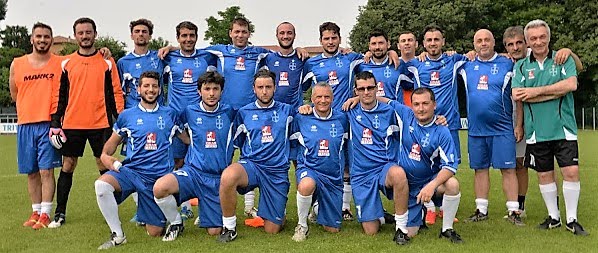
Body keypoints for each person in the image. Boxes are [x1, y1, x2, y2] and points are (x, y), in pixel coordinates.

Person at [512, 19, 588, 236]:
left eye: (542, 37)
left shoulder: (563, 59)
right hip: (536, 131)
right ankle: (554, 217)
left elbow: (571, 85)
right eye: (533, 38)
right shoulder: (521, 66)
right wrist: (555, 92)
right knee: (544, 175)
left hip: (564, 128)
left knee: (571, 171)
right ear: (527, 41)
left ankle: (572, 219)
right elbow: (518, 94)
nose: (538, 42)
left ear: (549, 37)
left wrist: (534, 92)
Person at [94, 71, 186, 249]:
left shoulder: (170, 114)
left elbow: (188, 140)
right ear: (138, 89)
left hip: (158, 178)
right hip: (132, 172)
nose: (150, 90)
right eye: (146, 86)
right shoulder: (127, 116)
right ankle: (118, 235)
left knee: (155, 232)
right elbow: (108, 149)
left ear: (160, 90)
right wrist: (106, 158)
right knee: (101, 186)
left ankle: (170, 218)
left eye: (154, 86)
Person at [48, 17, 124, 228]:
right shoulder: (66, 63)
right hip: (72, 124)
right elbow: (59, 94)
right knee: (68, 165)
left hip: (100, 124)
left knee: (104, 164)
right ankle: (60, 213)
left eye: (88, 32)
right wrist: (56, 122)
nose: (84, 36)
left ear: (95, 34)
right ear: (75, 36)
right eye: (80, 33)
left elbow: (115, 93)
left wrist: (122, 120)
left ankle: (112, 209)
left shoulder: (107, 62)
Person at [153, 71, 235, 241]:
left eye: (215, 89)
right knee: (160, 187)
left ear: (221, 91)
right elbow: (176, 129)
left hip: (217, 178)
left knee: (214, 231)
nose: (211, 93)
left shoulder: (230, 112)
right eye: (207, 89)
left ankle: (209, 211)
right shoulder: (189, 112)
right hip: (193, 172)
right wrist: (191, 142)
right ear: (199, 91)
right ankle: (176, 222)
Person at [218, 69, 294, 242]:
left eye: (268, 86)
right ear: (254, 89)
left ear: (275, 88)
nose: (264, 91)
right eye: (260, 87)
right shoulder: (244, 113)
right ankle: (229, 227)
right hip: (252, 165)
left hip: (276, 171)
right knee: (229, 176)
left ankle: (275, 213)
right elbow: (235, 144)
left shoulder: (288, 112)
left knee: (272, 229)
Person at [458, 29, 522, 225]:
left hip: (503, 128)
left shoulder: (508, 63)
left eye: (487, 40)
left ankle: (513, 211)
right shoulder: (465, 65)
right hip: (476, 130)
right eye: (479, 40)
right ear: (474, 44)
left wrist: (518, 124)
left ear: (494, 43)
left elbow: (518, 98)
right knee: (480, 169)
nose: (483, 43)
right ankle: (481, 210)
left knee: (508, 170)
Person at [303, 21, 364, 221]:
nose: (330, 42)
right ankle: (315, 204)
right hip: (320, 121)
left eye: (333, 38)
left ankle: (345, 207)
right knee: (319, 162)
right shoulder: (311, 63)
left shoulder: (351, 59)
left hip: (345, 120)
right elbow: (300, 89)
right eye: (326, 38)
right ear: (320, 41)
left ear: (339, 38)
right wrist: (304, 107)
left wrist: (357, 97)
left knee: (345, 163)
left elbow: (370, 69)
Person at [390, 87, 463, 243]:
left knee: (453, 184)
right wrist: (356, 99)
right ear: (412, 106)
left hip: (429, 183)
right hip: (407, 185)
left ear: (434, 105)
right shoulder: (405, 115)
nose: (421, 108)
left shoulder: (441, 130)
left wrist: (432, 185)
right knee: (410, 233)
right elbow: (382, 101)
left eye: (425, 103)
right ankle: (420, 213)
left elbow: (450, 166)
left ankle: (447, 229)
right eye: (416, 104)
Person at [9, 22, 62, 230]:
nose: (42, 40)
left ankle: (46, 213)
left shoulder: (60, 63)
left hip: (48, 124)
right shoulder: (17, 64)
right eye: (38, 36)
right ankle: (35, 211)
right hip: (25, 124)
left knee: (46, 171)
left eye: (46, 37)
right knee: (31, 172)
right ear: (31, 39)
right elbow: (15, 94)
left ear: (51, 39)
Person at [346, 71, 409, 245]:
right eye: (362, 89)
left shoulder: (391, 111)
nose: (366, 92)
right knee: (371, 231)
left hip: (384, 167)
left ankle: (401, 228)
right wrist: (306, 108)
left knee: (398, 174)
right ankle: (378, 215)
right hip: (361, 173)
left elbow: (417, 118)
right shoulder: (349, 111)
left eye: (370, 88)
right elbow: (324, 113)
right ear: (355, 91)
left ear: (377, 88)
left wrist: (439, 119)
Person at [117, 18, 166, 225]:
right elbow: (118, 91)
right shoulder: (123, 62)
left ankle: (175, 205)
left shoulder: (160, 57)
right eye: (137, 31)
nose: (140, 34)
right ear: (131, 35)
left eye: (144, 31)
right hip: (134, 121)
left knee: (165, 159)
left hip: (158, 117)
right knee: (134, 161)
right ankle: (141, 210)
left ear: (150, 35)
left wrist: (170, 46)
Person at [289, 82, 349, 241]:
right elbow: (293, 145)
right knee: (307, 184)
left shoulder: (342, 118)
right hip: (310, 169)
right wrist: (299, 172)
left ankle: (316, 209)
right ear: (312, 99)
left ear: (333, 98)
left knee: (333, 229)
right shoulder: (301, 118)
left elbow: (346, 146)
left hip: (333, 177)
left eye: (327, 97)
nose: (323, 100)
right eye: (319, 97)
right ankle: (302, 225)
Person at [357, 30, 411, 103]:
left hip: (394, 113)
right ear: (369, 46)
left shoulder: (398, 64)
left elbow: (414, 84)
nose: (377, 47)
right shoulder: (361, 65)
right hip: (371, 113)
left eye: (381, 43)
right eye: (373, 44)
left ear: (388, 44)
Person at [397, 31, 418, 106]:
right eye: (403, 41)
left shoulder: (423, 62)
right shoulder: (392, 64)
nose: (407, 43)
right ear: (398, 46)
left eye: (410, 40)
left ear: (416, 44)